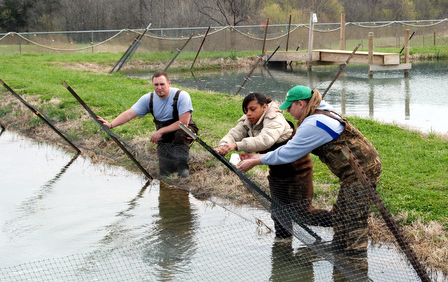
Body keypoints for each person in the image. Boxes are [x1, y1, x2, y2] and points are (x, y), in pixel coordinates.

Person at [237, 85, 382, 254]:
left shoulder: (314, 123)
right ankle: (341, 257)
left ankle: (353, 262)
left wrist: (257, 160)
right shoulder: (319, 111)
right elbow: (289, 149)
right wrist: (257, 157)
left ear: (301, 104)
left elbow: (288, 153)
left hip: (362, 171)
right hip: (354, 171)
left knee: (351, 223)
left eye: (290, 107)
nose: (288, 112)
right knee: (342, 216)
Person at [215, 92, 331, 240]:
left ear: (264, 107)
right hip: (277, 173)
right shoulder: (248, 120)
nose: (249, 114)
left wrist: (236, 146)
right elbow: (233, 134)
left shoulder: (276, 119)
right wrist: (223, 146)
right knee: (278, 212)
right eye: (246, 110)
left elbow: (265, 141)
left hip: (297, 172)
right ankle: (282, 243)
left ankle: (342, 222)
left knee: (303, 214)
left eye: (252, 109)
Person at [97, 71, 197, 178]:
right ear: (153, 85)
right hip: (164, 135)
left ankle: (183, 170)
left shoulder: (182, 96)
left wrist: (160, 131)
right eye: (156, 85)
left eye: (162, 84)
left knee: (180, 135)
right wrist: (111, 124)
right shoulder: (149, 99)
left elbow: (183, 123)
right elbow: (130, 113)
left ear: (169, 83)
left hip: (185, 130)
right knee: (165, 172)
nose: (159, 88)